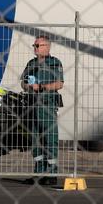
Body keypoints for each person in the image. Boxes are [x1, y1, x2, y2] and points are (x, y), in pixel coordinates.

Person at [21, 35, 64, 186]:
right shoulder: (31, 63)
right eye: (34, 45)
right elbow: (23, 82)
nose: (35, 48)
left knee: (50, 139)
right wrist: (28, 86)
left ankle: (52, 173)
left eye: (37, 46)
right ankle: (38, 173)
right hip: (32, 106)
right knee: (35, 140)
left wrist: (42, 87)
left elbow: (59, 84)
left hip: (47, 105)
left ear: (47, 47)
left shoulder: (54, 63)